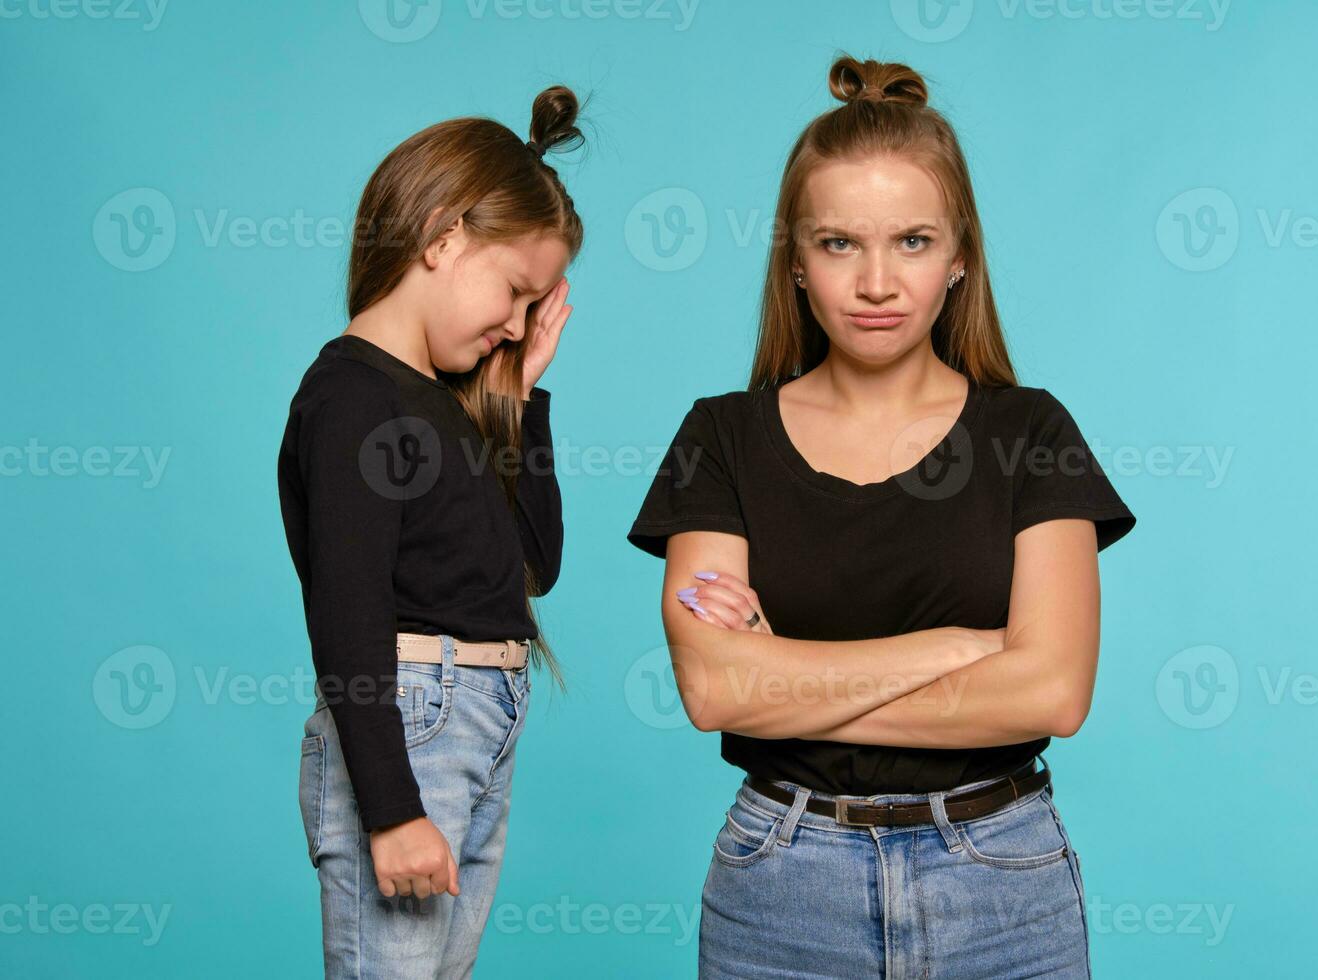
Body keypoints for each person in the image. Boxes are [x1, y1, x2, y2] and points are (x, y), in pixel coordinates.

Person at [627, 55, 1136, 978]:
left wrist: (788, 681)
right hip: (782, 884)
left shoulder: (1032, 431)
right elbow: (716, 692)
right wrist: (960, 647)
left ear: (959, 260)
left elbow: (1052, 693)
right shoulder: (721, 437)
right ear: (794, 261)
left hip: (1002, 883)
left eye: (911, 241)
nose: (875, 282)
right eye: (837, 244)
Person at [277, 87, 583, 979]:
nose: (516, 323)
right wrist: (391, 807)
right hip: (412, 719)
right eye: (514, 292)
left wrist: (523, 398)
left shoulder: (446, 405)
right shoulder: (353, 398)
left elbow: (536, 566)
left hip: (478, 720)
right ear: (442, 238)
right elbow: (347, 605)